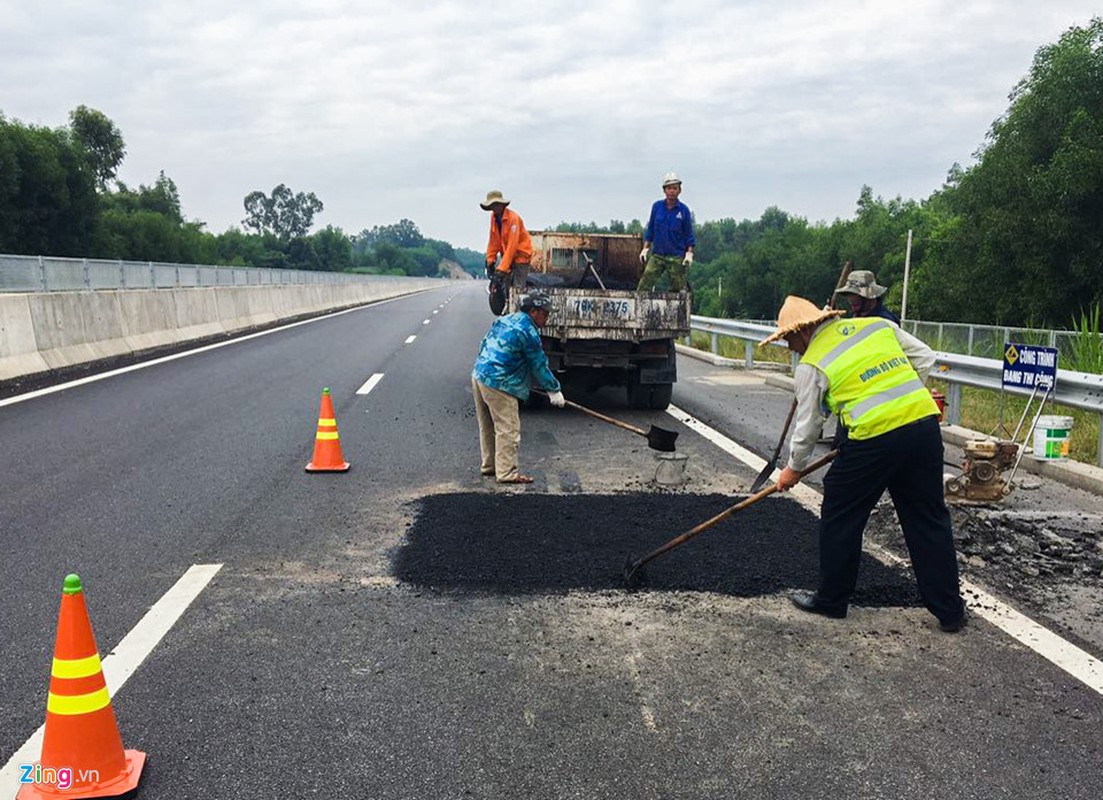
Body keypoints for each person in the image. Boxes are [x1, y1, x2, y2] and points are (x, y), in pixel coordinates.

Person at [760, 295, 966, 632]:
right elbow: (925, 358)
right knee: (928, 519)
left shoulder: (812, 363)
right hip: (923, 428)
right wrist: (898, 399)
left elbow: (809, 426)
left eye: (788, 339)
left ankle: (831, 599)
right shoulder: (877, 327)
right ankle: (950, 611)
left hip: (874, 439)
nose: (789, 347)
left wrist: (793, 469)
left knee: (841, 511)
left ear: (803, 331)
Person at [472, 290, 566, 484]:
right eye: (545, 313)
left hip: (479, 374)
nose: (547, 318)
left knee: (488, 426)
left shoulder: (506, 319)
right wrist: (554, 390)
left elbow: (483, 344)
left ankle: (490, 466)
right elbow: (538, 365)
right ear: (533, 311)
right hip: (500, 382)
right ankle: (507, 473)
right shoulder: (528, 332)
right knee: (508, 428)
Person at [637, 171, 695, 291]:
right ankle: (640, 308)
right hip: (658, 255)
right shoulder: (657, 207)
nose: (672, 191)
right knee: (644, 284)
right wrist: (645, 249)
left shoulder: (684, 211)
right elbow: (651, 230)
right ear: (664, 190)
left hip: (676, 257)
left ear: (679, 190)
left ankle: (675, 309)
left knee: (677, 289)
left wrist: (689, 253)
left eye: (674, 188)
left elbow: (689, 235)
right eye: (669, 188)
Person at [481, 190, 533, 299]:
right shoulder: (494, 218)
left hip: (521, 257)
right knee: (506, 288)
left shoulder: (513, 219)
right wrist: (490, 260)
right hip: (508, 257)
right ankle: (508, 309)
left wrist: (501, 269)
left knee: (517, 291)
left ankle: (517, 311)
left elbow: (512, 246)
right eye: (492, 206)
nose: (494, 208)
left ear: (502, 205)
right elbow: (493, 241)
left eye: (496, 205)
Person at [834, 270, 901, 325]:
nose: (850, 299)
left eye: (855, 294)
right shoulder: (857, 318)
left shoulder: (885, 322)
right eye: (848, 294)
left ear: (869, 297)